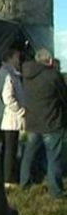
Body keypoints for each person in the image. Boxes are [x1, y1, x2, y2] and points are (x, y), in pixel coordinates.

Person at [20, 48, 67, 198]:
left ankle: (24, 182)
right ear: (50, 60)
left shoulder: (27, 75)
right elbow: (63, 97)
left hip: (32, 122)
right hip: (51, 122)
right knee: (53, 157)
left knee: (29, 154)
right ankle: (55, 190)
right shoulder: (53, 75)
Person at [0, 48, 25, 187]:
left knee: (8, 148)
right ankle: (8, 179)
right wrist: (20, 111)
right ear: (10, 58)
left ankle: (4, 175)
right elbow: (8, 98)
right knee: (10, 150)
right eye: (17, 57)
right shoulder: (7, 75)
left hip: (8, 117)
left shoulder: (7, 73)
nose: (19, 60)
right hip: (11, 118)